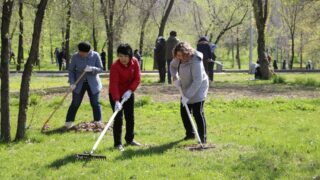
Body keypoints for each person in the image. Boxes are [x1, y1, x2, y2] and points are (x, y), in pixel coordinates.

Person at [170, 42, 209, 144]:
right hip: (185, 86)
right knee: (184, 112)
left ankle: (202, 138)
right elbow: (172, 67)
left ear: (187, 53)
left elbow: (198, 81)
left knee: (197, 112)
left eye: (181, 55)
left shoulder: (196, 61)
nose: (179, 58)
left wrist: (187, 96)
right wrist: (175, 77)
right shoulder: (178, 58)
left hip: (199, 87)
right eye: (177, 55)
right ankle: (190, 134)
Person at [109, 43, 141, 151]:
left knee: (130, 117)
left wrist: (131, 90)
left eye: (125, 56)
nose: (123, 59)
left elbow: (137, 78)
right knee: (118, 118)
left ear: (130, 55)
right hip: (116, 93)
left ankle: (129, 139)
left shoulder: (135, 62)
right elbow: (113, 84)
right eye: (120, 56)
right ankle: (117, 143)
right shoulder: (115, 66)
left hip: (128, 93)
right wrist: (117, 100)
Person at [65, 42, 103, 129]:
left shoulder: (95, 55)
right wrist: (72, 83)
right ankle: (69, 122)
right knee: (75, 103)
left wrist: (92, 69)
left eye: (84, 53)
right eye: (80, 52)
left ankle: (98, 122)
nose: (81, 54)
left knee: (95, 103)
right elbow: (71, 70)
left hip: (93, 84)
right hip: (78, 83)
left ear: (89, 51)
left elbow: (101, 69)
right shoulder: (75, 57)